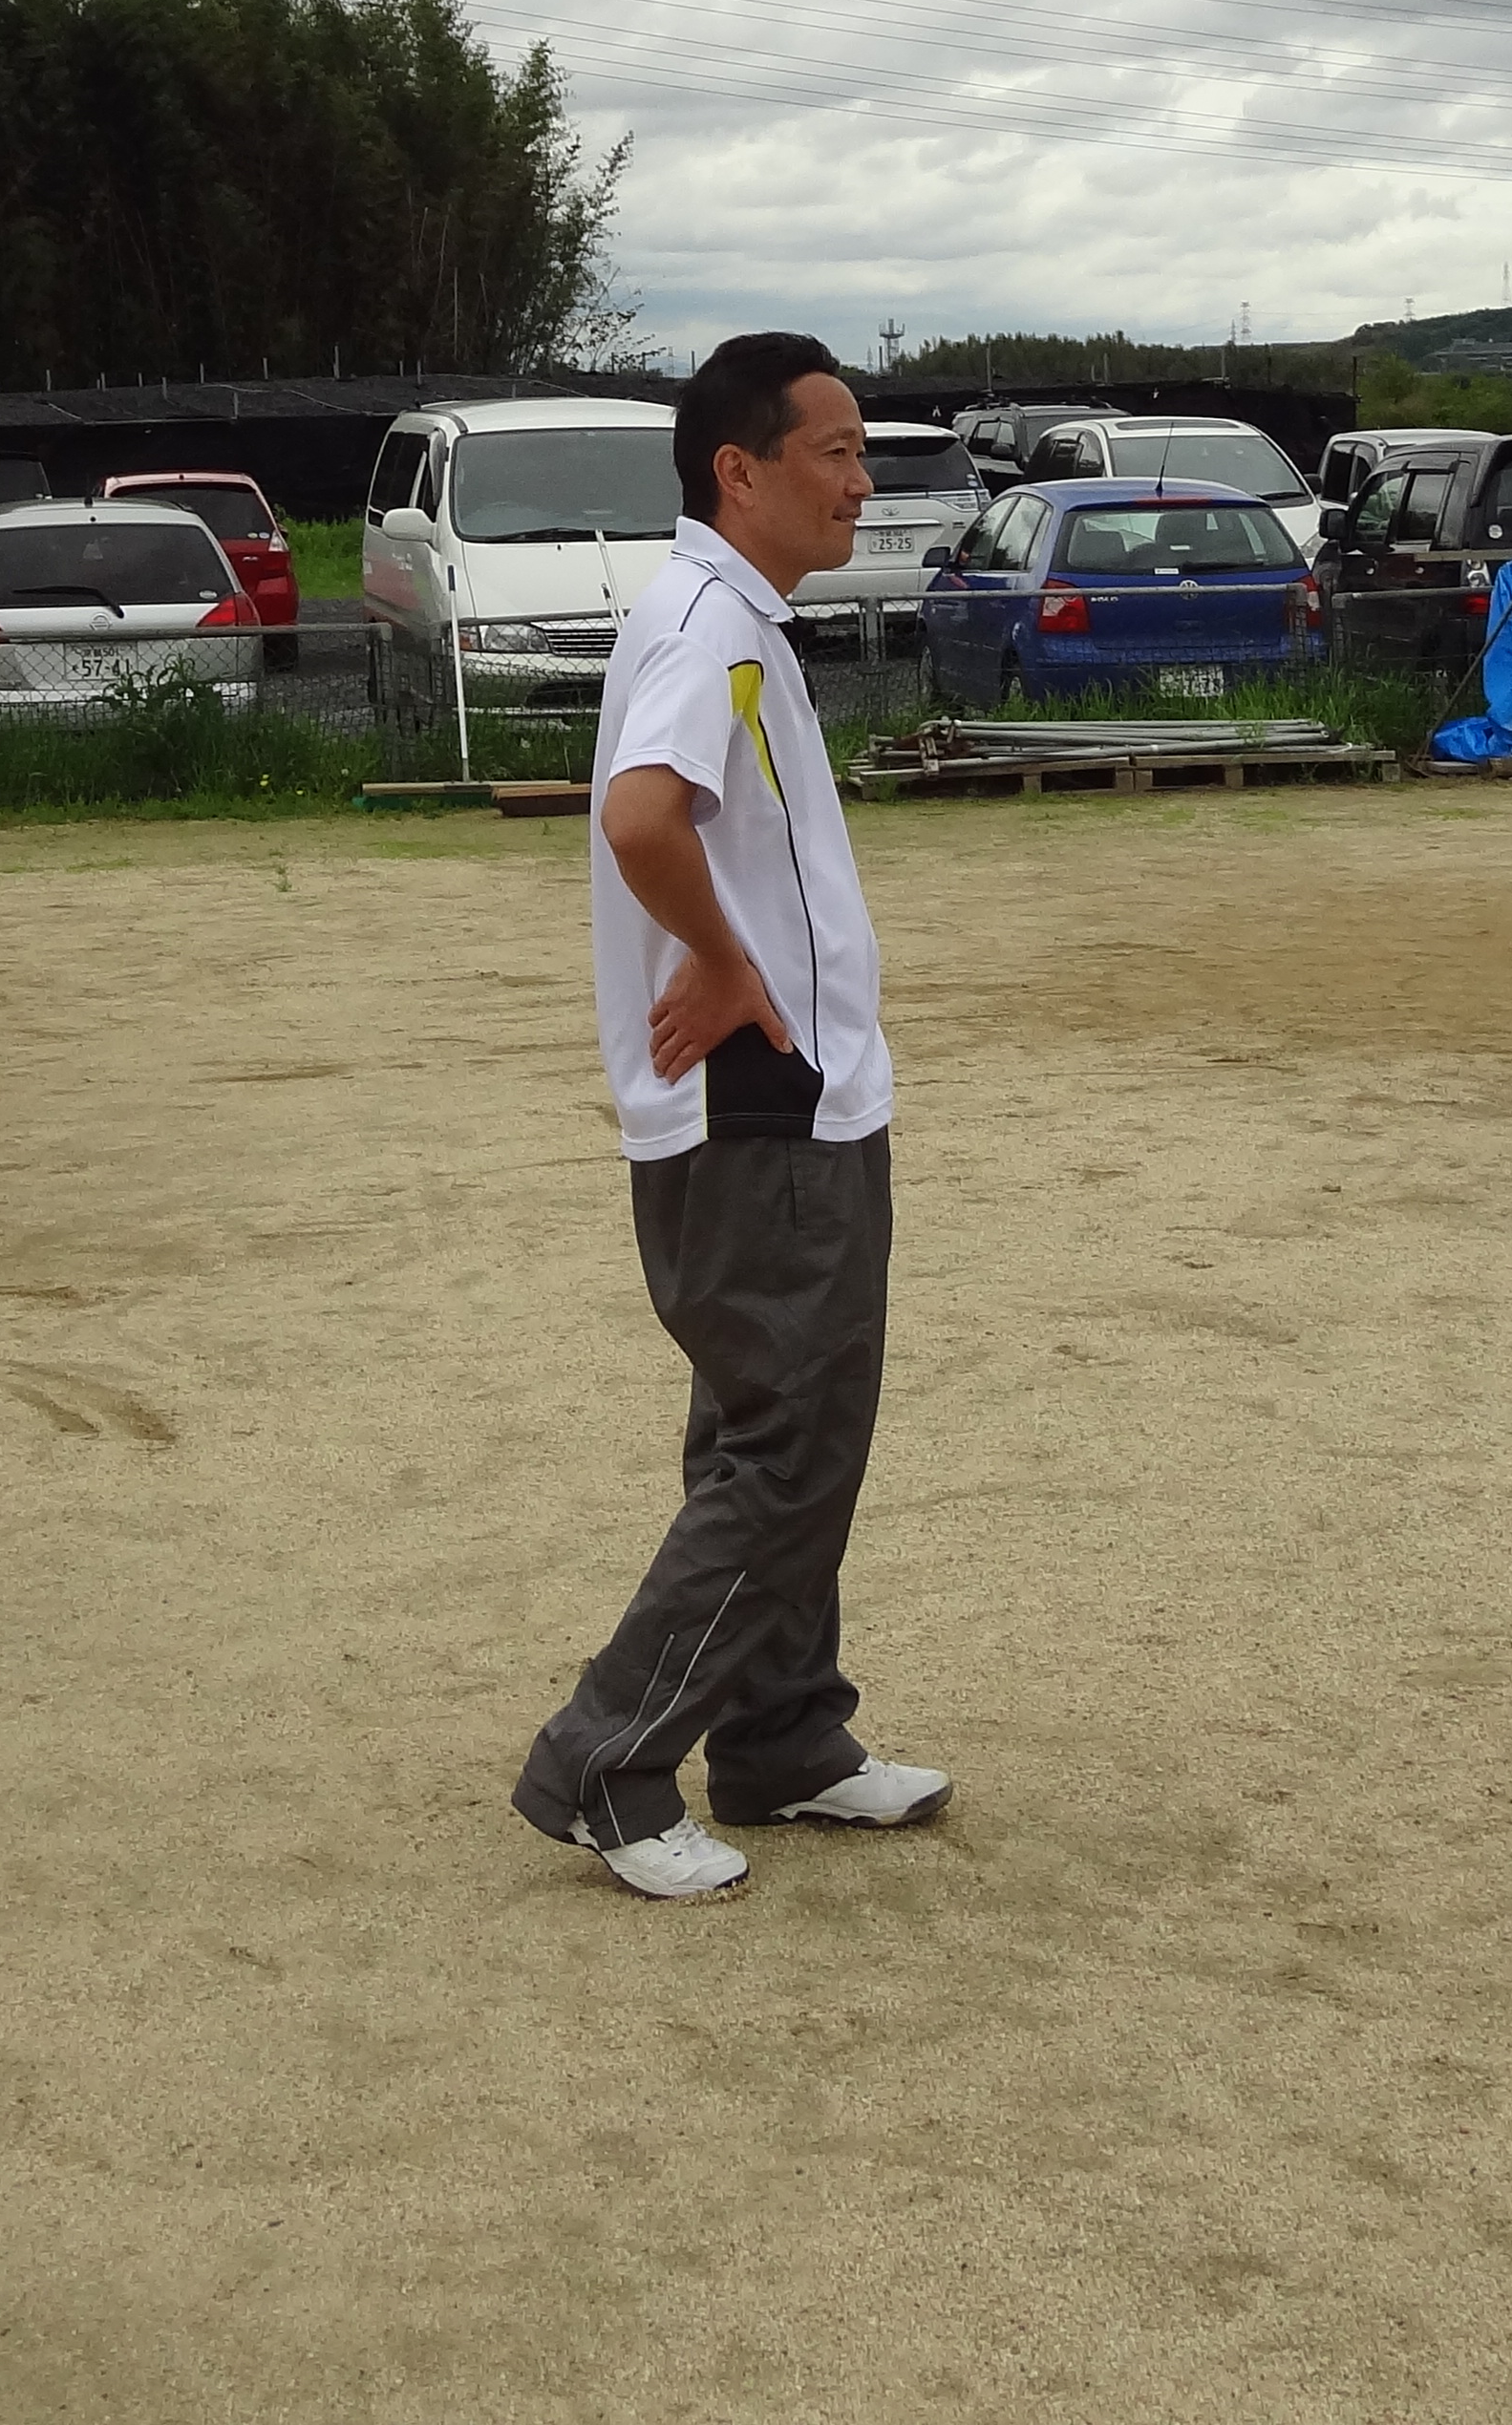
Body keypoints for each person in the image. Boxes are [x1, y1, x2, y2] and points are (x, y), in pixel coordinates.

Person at [511, 334, 948, 1903]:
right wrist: (717, 956)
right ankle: (608, 1761)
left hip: (792, 1096)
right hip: (761, 1105)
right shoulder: (710, 628)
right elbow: (641, 816)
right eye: (834, 451)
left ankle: (779, 1734)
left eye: (859, 451)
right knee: (785, 1447)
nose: (860, 481)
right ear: (737, 470)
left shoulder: (734, 618)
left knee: (781, 1430)